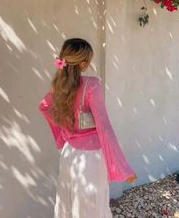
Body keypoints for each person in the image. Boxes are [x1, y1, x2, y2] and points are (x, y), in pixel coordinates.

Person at [38, 38, 138, 218]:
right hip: (90, 157)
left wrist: (64, 134)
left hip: (69, 154)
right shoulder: (92, 85)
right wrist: (123, 168)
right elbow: (104, 126)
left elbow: (44, 106)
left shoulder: (59, 86)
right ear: (84, 63)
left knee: (67, 200)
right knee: (90, 205)